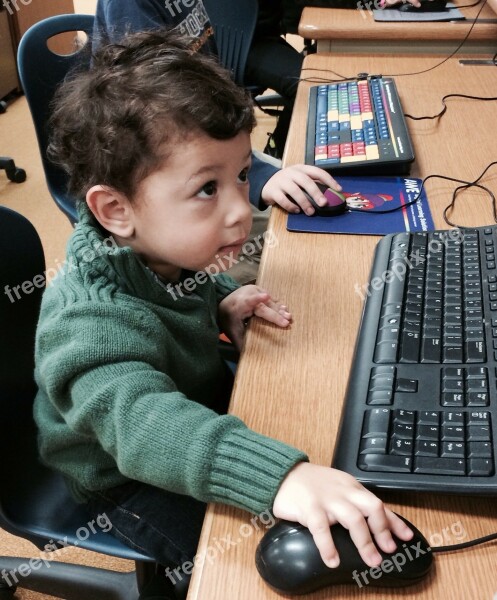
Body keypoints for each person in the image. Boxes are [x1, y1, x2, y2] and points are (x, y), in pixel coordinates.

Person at [35, 30, 413, 600]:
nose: (243, 208)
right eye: (207, 189)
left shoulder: (167, 248)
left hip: (192, 412)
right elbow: (140, 425)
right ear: (116, 210)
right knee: (231, 571)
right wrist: (281, 477)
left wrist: (220, 303)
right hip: (122, 475)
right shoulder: (88, 320)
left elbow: (176, 296)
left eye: (240, 175)